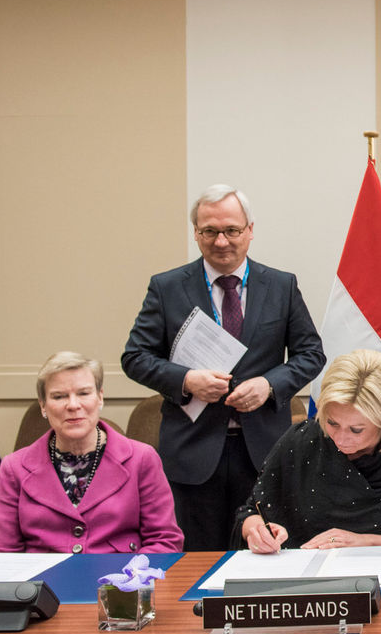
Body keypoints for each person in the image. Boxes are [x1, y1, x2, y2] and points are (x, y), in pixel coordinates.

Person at [122, 184, 325, 550]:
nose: (221, 241)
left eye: (231, 230)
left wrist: (269, 384)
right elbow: (135, 357)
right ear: (196, 233)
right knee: (194, 561)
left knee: (264, 558)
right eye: (210, 231)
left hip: (263, 452)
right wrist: (186, 380)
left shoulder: (281, 285)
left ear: (250, 230)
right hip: (192, 453)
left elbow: (311, 353)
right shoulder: (167, 287)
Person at [238, 350, 381, 550]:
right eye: (332, 423)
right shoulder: (301, 440)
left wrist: (365, 541)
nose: (340, 439)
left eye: (356, 430)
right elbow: (249, 513)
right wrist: (256, 530)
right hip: (304, 570)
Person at [0, 352, 182, 553]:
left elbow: (164, 541)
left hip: (120, 573)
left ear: (100, 398)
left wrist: (128, 573)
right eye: (59, 396)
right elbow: (1, 551)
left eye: (83, 393)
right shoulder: (14, 468)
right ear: (43, 405)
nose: (73, 405)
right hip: (43, 574)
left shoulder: (142, 459)